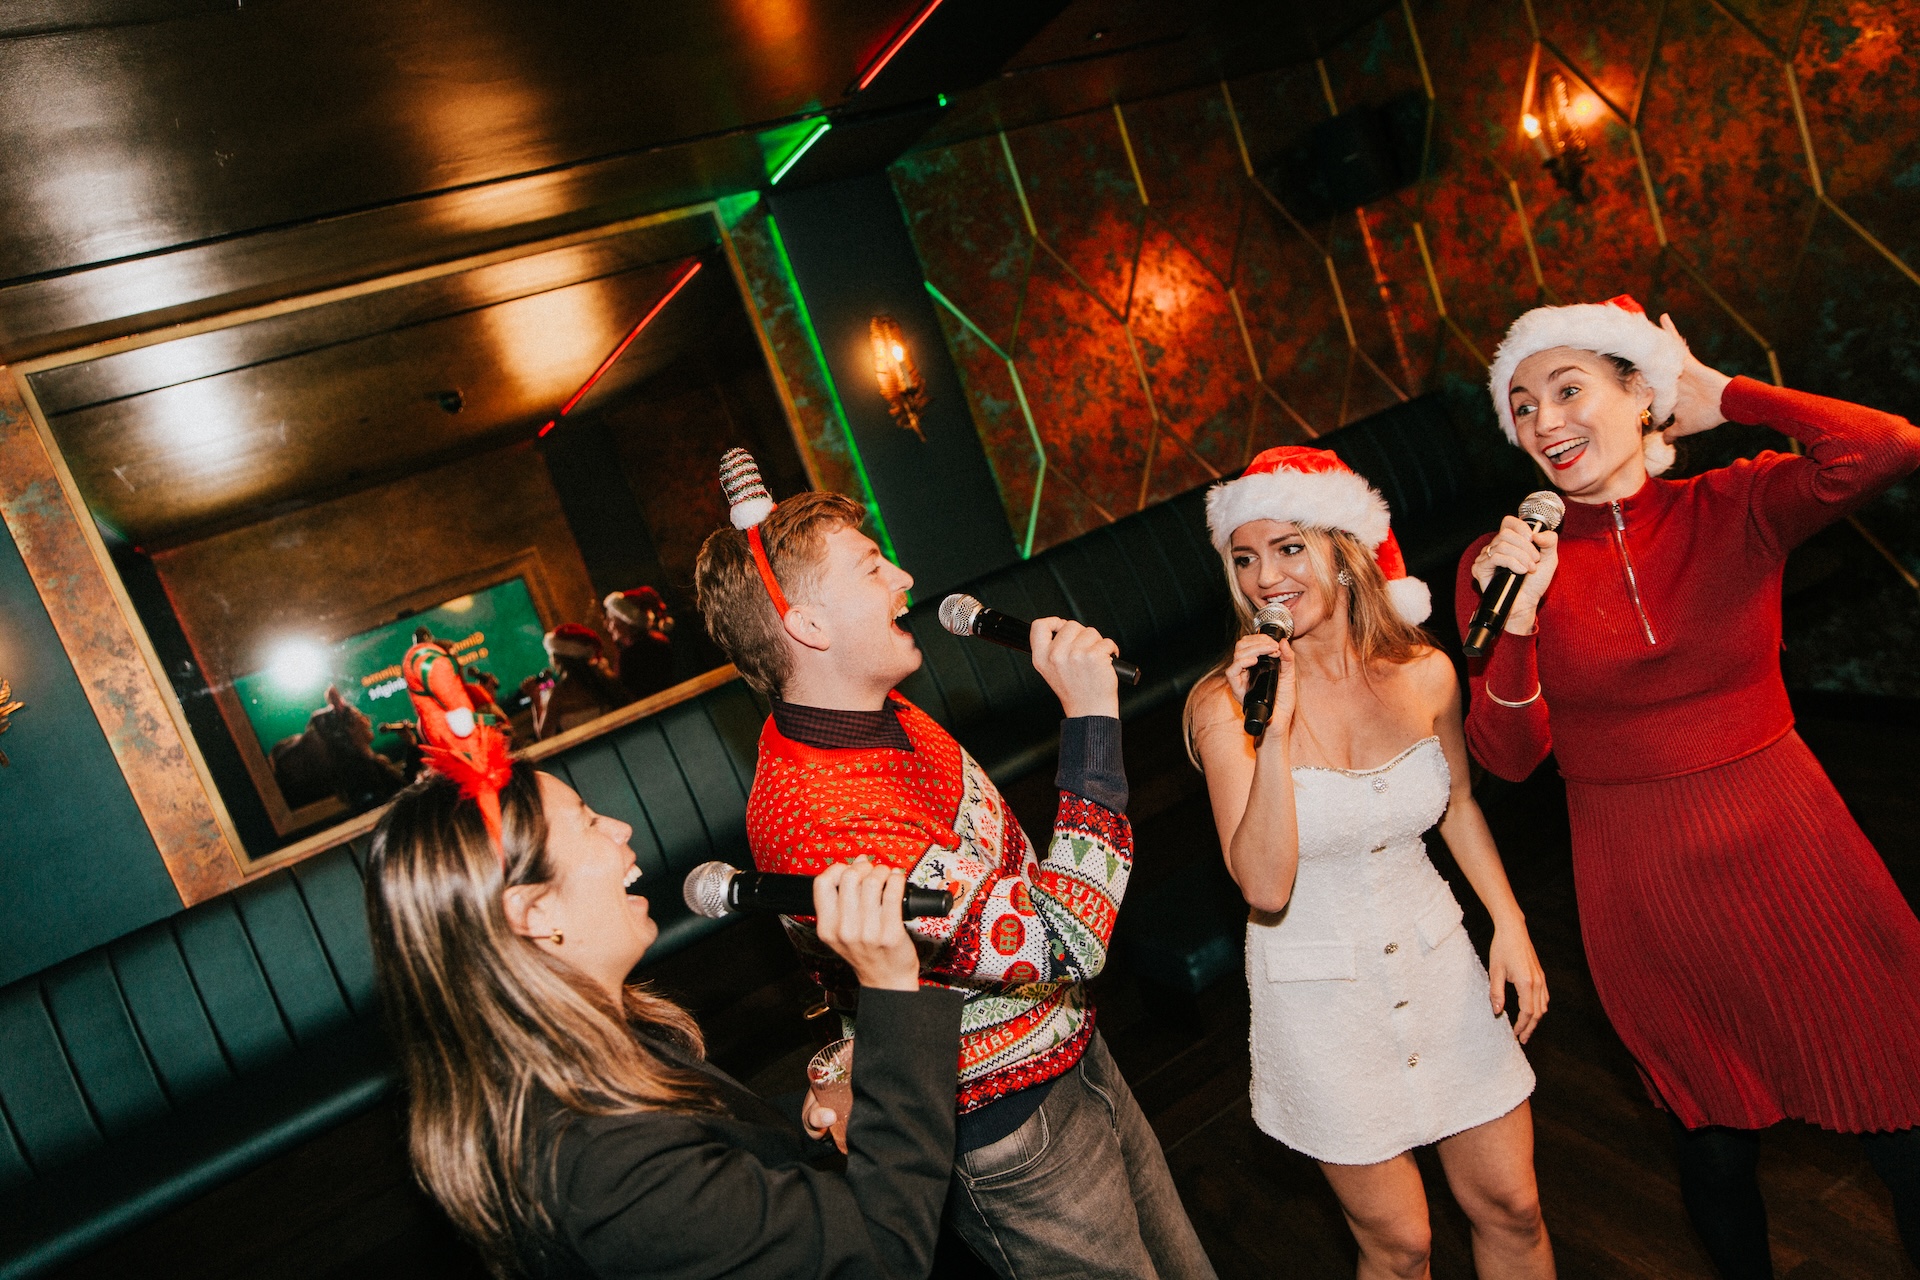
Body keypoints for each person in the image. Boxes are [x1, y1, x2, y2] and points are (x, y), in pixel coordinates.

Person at [1463, 295, 1920, 1278]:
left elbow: (1886, 445)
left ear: (1642, 394)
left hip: (1799, 853)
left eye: (1568, 389)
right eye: (1522, 406)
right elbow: (1507, 757)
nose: (1544, 421)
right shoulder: (1498, 566)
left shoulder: (1735, 504)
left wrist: (1727, 393)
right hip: (1644, 889)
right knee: (1713, 1147)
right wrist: (1519, 619)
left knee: (1905, 1117)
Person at [691, 448, 1216, 1280]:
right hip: (1009, 1127)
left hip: (1071, 1041)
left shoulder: (877, 708)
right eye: (871, 568)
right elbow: (1067, 938)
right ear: (810, 627)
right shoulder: (822, 822)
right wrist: (1091, 721)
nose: (904, 578)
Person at [365, 750, 964, 1278]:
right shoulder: (602, 1165)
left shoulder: (585, 1045)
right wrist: (889, 984)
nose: (621, 828)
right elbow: (882, 1249)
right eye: (588, 821)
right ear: (534, 914)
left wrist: (795, 1125)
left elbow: (704, 1151)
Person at [1184, 447, 1555, 1280]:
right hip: (1321, 1005)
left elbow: (1458, 805)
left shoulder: (1425, 673)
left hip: (1439, 967)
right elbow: (1264, 885)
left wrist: (1510, 922)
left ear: (1346, 550)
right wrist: (1270, 730)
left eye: (1289, 548)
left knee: (1513, 1208)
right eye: (1243, 557)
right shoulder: (1223, 706)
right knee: (1400, 1247)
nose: (1264, 577)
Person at [529, 623, 627, 740]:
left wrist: (535, 700)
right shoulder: (606, 681)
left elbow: (545, 736)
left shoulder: (559, 695)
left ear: (558, 659)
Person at [604, 587, 677, 702]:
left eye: (611, 620)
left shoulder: (629, 656)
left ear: (627, 622)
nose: (608, 626)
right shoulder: (659, 641)